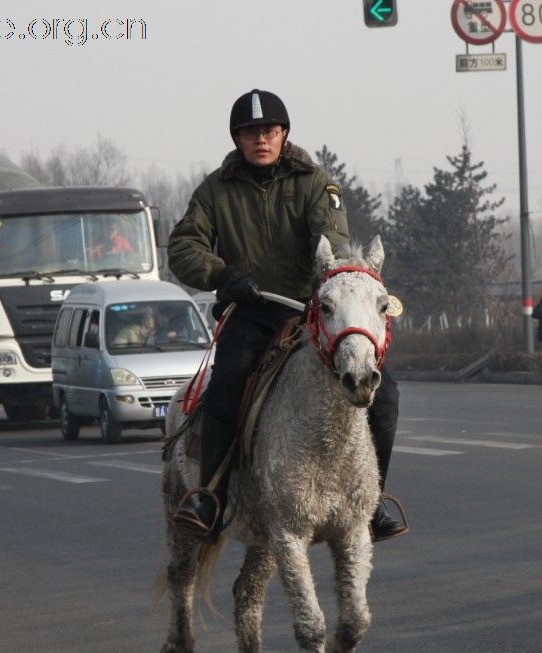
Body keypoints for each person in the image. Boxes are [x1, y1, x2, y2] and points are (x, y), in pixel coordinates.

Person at [168, 89, 405, 544]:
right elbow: (183, 247)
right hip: (251, 313)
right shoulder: (215, 189)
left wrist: (334, 283)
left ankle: (372, 500)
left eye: (269, 131)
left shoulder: (314, 182)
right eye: (251, 132)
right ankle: (210, 498)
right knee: (227, 384)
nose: (261, 139)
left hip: (309, 315)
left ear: (284, 135)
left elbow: (333, 242)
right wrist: (223, 274)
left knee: (387, 392)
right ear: (238, 138)